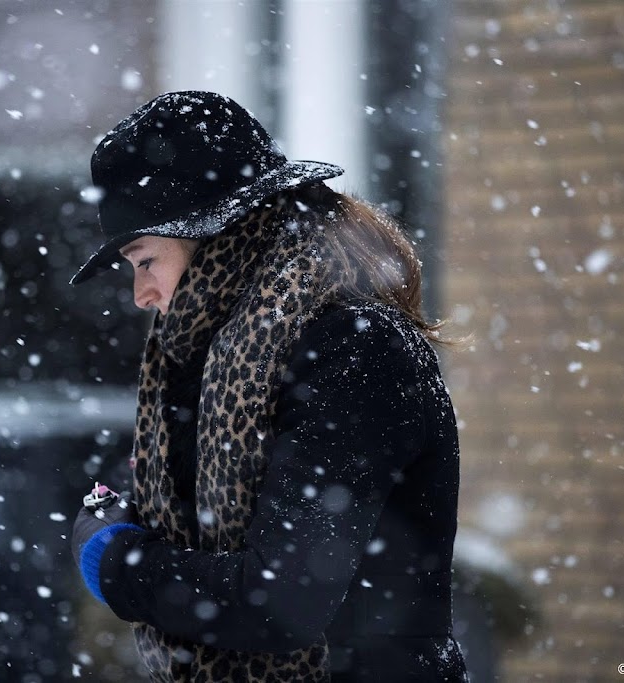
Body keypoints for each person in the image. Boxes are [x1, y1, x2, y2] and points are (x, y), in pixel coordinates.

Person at [68, 91, 469, 682]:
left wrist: (117, 562)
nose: (141, 295)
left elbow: (281, 602)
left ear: (216, 237)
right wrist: (127, 512)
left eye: (145, 260)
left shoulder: (353, 349)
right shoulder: (221, 358)